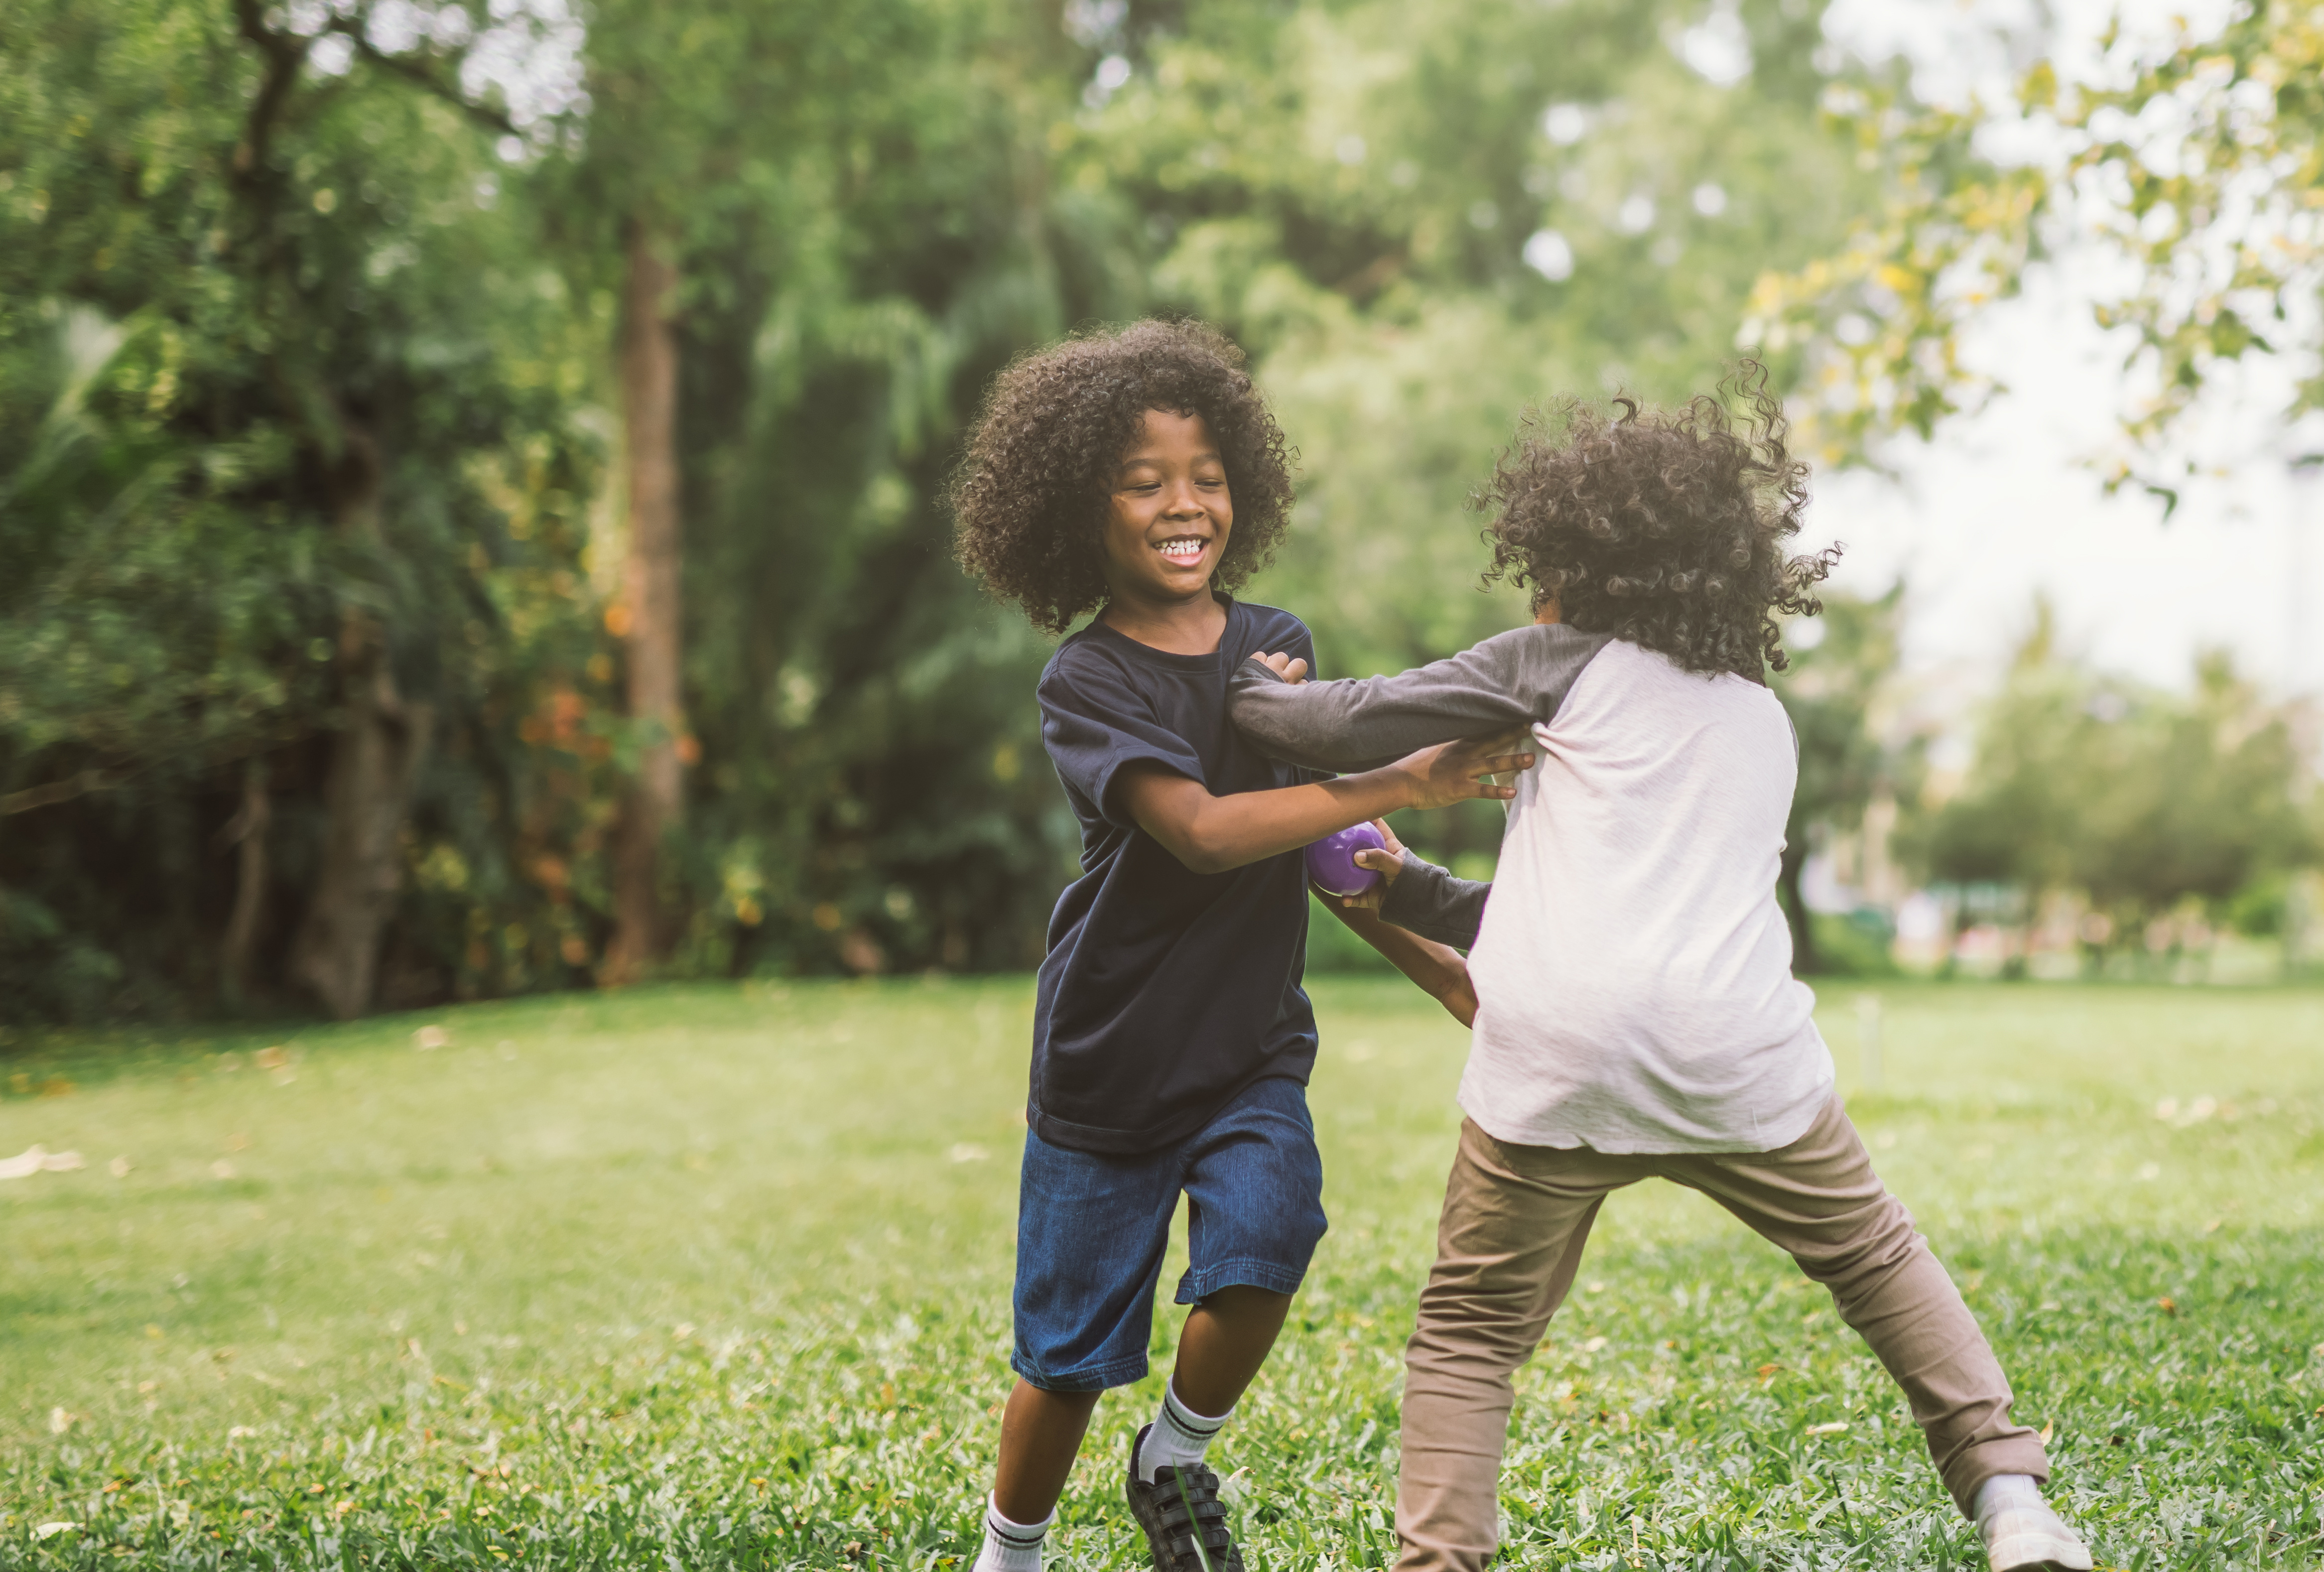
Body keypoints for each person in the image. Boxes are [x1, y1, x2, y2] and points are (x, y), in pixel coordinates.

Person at [1226, 368, 2094, 1572]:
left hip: (1559, 1057)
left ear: (1575, 565)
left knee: (1471, 1330)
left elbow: (1350, 722)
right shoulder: (1757, 718)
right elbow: (1619, 912)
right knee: (1876, 1259)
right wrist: (1412, 892)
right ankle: (2011, 1501)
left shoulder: (1553, 661)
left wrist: (1241, 696)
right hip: (1735, 1057)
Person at [949, 318, 1531, 1572]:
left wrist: (1455, 977)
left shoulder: (1276, 648)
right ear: (1074, 510)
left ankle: (1174, 1455)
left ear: (1244, 492)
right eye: (1142, 478)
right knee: (1064, 1362)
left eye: (1207, 475)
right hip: (1109, 1061)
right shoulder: (1085, 682)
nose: (1183, 502)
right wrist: (1408, 775)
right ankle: (1013, 1550)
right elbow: (1206, 833)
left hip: (1248, 1049)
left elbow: (1324, 856)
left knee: (1268, 1242)